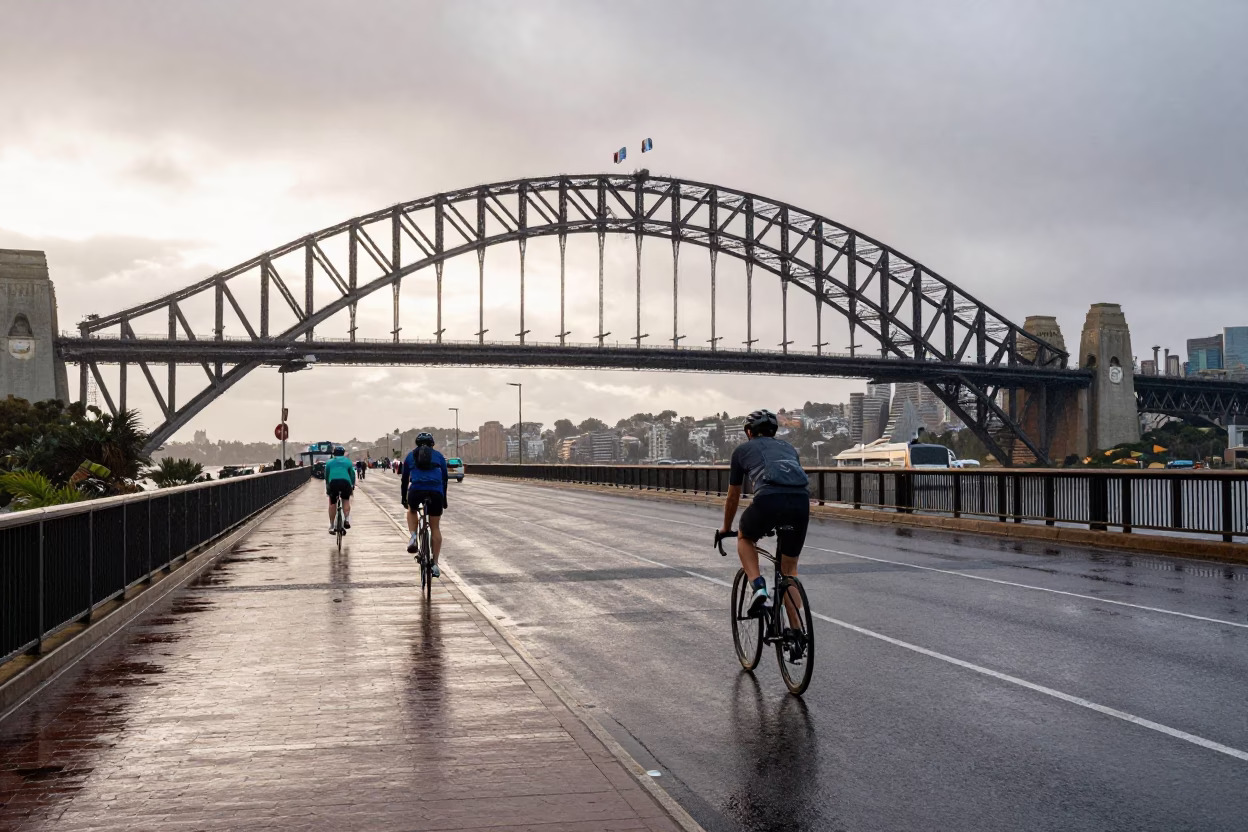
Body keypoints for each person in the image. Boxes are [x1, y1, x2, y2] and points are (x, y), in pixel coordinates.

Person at [718, 409, 811, 648]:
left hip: (769, 499)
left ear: (749, 432)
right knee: (789, 569)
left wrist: (725, 527)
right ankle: (797, 633)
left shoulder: (741, 451)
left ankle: (759, 587)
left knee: (745, 537)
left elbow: (733, 496)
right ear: (774, 432)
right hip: (801, 502)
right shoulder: (790, 449)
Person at [400, 432, 449, 577]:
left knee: (412, 510)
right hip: (436, 492)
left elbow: (404, 479)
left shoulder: (410, 456)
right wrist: (444, 497)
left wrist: (404, 498)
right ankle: (435, 563)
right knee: (435, 527)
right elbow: (445, 478)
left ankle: (413, 536)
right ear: (432, 444)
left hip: (416, 491)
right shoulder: (439, 456)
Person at [324, 446, 356, 534]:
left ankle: (331, 525)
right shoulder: (348, 462)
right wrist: (352, 485)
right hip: (345, 482)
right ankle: (346, 520)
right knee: (345, 500)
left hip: (333, 483)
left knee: (332, 503)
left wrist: (328, 487)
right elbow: (352, 475)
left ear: (334, 453)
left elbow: (326, 476)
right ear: (343, 453)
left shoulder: (329, 462)